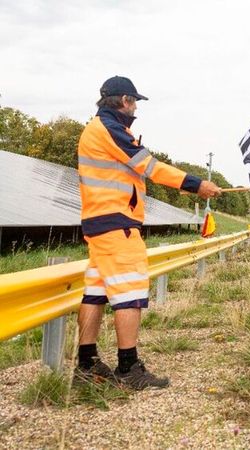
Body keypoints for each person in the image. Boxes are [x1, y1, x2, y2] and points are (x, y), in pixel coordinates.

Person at [75, 76, 222, 390]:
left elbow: (131, 172)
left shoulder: (100, 129)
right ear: (125, 100)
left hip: (100, 224)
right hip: (117, 226)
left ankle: (85, 364)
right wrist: (198, 185)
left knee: (96, 292)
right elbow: (150, 166)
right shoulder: (109, 130)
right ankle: (128, 369)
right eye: (135, 101)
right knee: (129, 295)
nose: (136, 107)